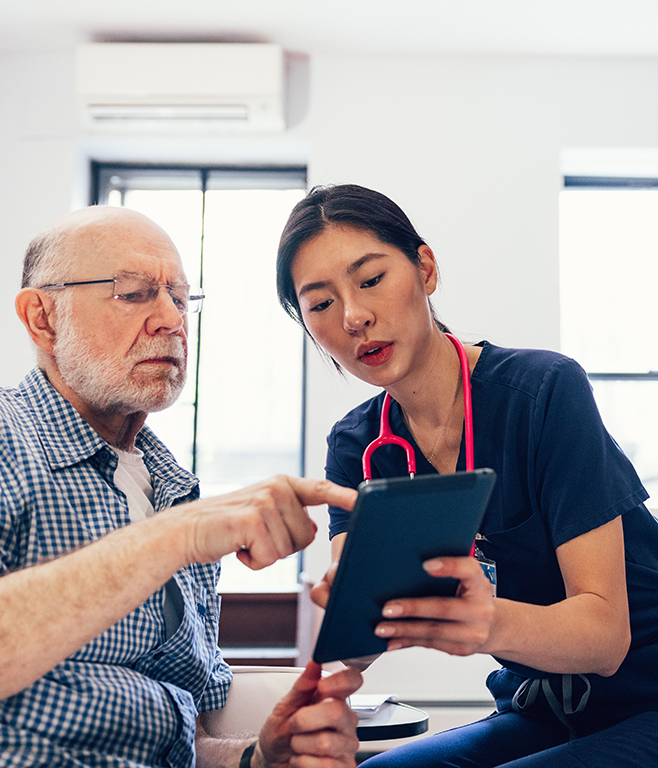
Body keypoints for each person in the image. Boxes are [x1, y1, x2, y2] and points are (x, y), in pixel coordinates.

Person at [0, 205, 363, 768]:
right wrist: (176, 536)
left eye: (180, 298)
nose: (171, 320)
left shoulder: (174, 489)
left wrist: (258, 757)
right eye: (133, 294)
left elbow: (175, 740)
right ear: (42, 318)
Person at [275, 183, 658, 767]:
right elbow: (359, 644)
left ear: (425, 269)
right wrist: (351, 609)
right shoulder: (358, 447)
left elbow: (605, 638)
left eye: (371, 279)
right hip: (539, 709)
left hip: (646, 695)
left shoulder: (543, 392)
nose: (354, 317)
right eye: (321, 304)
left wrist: (486, 623)